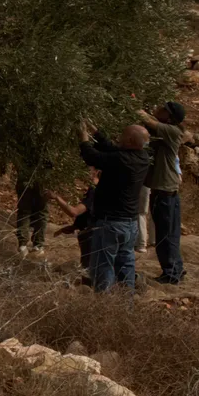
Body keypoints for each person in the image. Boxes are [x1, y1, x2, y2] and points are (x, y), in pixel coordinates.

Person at [78, 122, 152, 292]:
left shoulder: (121, 160)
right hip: (129, 224)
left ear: (131, 140)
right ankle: (126, 304)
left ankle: (105, 306)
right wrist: (95, 130)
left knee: (103, 267)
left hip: (110, 224)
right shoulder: (142, 157)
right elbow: (111, 148)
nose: (119, 137)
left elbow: (92, 157)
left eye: (123, 135)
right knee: (126, 264)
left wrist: (83, 138)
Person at [138, 101, 188, 284]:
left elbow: (148, 120)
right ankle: (176, 269)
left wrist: (132, 105)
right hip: (168, 191)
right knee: (171, 234)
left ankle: (171, 273)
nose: (158, 109)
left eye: (162, 109)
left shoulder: (172, 131)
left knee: (165, 235)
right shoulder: (170, 130)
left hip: (163, 192)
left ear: (169, 116)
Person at [49, 169, 100, 273]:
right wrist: (74, 226)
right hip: (91, 233)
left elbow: (75, 212)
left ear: (96, 172)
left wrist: (56, 198)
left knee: (88, 270)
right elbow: (89, 213)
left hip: (91, 235)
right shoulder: (95, 190)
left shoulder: (95, 191)